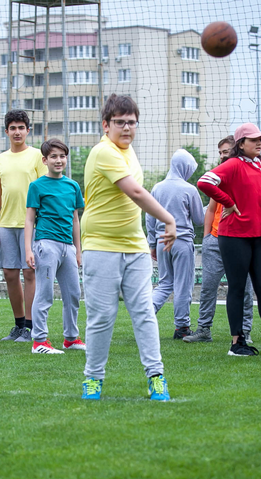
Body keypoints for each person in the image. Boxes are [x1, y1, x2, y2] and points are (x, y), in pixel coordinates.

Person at [80, 94, 176, 401]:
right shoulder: (103, 152)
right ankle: (93, 380)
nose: (126, 128)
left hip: (134, 247)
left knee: (144, 313)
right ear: (106, 125)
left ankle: (156, 378)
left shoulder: (129, 152)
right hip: (100, 246)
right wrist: (168, 218)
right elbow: (135, 191)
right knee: (102, 316)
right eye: (120, 122)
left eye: (131, 122)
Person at [198, 123, 261, 357]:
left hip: (259, 235)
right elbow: (204, 182)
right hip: (233, 236)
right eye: (253, 139)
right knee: (237, 288)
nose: (259, 142)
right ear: (241, 144)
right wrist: (228, 202)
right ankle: (236, 343)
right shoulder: (232, 165)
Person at [186, 136, 255, 344]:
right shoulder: (217, 177)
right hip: (216, 240)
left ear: (238, 150)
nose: (223, 156)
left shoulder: (248, 174)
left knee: (244, 289)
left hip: (241, 240)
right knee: (208, 287)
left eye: (226, 151)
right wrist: (207, 237)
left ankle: (244, 332)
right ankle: (204, 330)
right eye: (221, 153)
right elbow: (211, 210)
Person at [0, 110, 46, 342]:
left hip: (31, 225)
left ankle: (32, 326)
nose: (17, 132)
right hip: (7, 224)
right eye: (13, 128)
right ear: (6, 131)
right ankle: (19, 325)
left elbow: (44, 188)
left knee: (30, 273)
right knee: (10, 274)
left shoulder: (36, 156)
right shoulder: (1, 159)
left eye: (21, 127)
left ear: (28, 130)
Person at [24, 139, 85, 354]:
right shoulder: (37, 186)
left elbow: (75, 219)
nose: (58, 160)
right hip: (46, 245)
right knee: (45, 294)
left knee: (73, 294)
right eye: (54, 156)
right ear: (45, 160)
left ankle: (71, 338)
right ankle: (39, 341)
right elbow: (30, 220)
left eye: (62, 156)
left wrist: (78, 250)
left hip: (67, 247)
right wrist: (29, 249)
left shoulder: (73, 186)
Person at [147, 149, 205, 339]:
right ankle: (182, 327)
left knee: (165, 283)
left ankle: (145, 316)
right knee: (182, 285)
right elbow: (199, 219)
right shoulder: (189, 189)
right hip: (182, 241)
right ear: (186, 167)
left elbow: (150, 216)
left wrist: (152, 243)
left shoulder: (157, 188)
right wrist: (212, 205)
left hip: (161, 240)